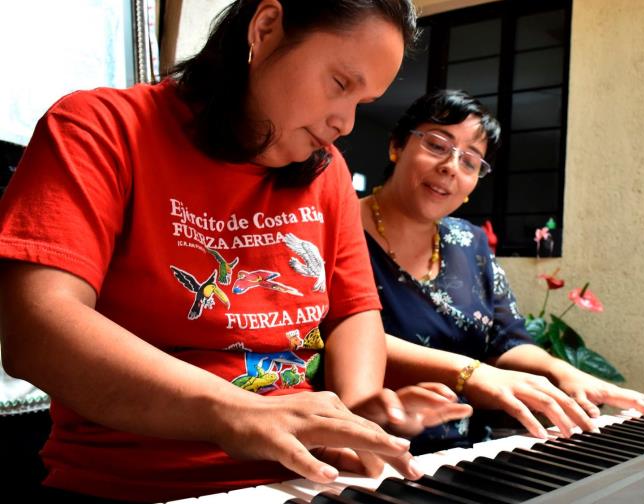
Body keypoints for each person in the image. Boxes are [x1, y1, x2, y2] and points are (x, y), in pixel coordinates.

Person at [0, 1, 473, 502]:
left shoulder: (326, 169)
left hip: (304, 483)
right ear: (266, 28)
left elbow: (354, 313)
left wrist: (353, 415)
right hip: (137, 486)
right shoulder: (99, 127)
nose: (347, 122)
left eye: (364, 100)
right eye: (340, 84)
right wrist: (233, 411)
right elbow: (37, 328)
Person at [360, 89, 644, 453]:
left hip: (469, 453)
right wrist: (474, 374)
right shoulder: (339, 227)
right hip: (370, 450)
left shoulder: (470, 243)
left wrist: (563, 373)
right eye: (437, 145)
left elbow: (507, 341)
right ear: (397, 145)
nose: (450, 167)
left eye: (470, 161)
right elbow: (339, 334)